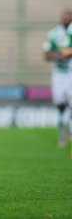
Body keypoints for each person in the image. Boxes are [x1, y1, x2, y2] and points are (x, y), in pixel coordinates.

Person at [43, 9, 72, 152]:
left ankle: (69, 135)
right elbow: (47, 54)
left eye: (68, 16)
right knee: (60, 105)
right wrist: (61, 54)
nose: (66, 18)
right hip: (59, 75)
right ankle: (62, 136)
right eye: (64, 16)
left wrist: (64, 53)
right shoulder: (54, 34)